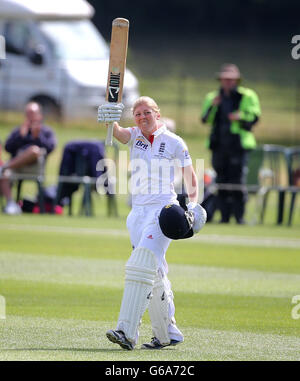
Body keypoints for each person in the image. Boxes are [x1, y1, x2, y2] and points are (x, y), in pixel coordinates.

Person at [98, 96, 206, 350]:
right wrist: (108, 117)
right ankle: (168, 333)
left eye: (147, 112)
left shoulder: (174, 142)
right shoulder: (134, 136)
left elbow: (191, 179)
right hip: (137, 213)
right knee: (153, 272)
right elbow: (119, 133)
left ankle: (126, 331)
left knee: (141, 263)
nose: (142, 117)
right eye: (137, 114)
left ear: (157, 113)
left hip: (163, 212)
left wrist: (191, 207)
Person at [201, 64, 261, 224]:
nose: (227, 82)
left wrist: (241, 117)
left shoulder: (247, 96)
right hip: (219, 144)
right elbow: (205, 119)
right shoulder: (213, 97)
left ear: (236, 80)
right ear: (220, 80)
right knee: (221, 181)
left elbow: (254, 117)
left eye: (231, 79)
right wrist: (214, 105)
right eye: (225, 79)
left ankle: (239, 217)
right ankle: (224, 217)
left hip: (238, 145)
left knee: (237, 181)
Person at [1, 102, 56, 214]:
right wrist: (20, 136)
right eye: (28, 114)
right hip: (16, 168)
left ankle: (3, 167)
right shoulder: (19, 130)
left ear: (39, 115)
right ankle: (11, 204)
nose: (30, 116)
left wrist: (38, 137)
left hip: (35, 167)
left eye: (33, 113)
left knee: (33, 150)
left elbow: (50, 148)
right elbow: (7, 147)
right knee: (5, 175)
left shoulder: (46, 131)